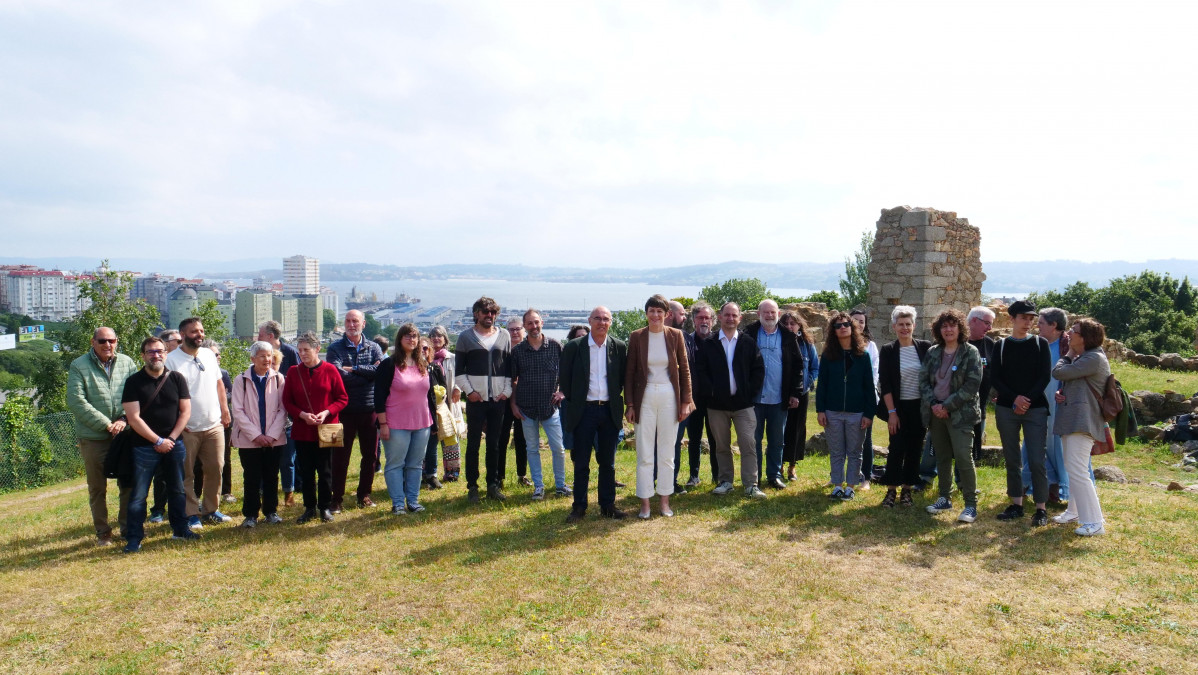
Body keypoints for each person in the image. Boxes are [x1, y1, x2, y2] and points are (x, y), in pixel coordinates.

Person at [120, 336, 199, 553]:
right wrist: (157, 440)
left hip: (174, 444)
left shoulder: (177, 378)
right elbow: (133, 418)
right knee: (139, 495)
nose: (156, 355)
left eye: (159, 351)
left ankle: (180, 529)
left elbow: (185, 412)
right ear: (143, 355)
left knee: (177, 490)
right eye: (151, 352)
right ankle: (134, 538)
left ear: (166, 353)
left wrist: (171, 439)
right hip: (143, 446)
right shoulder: (133, 382)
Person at [67, 327, 138, 546]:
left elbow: (137, 394)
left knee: (128, 483)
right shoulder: (78, 365)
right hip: (93, 437)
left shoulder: (128, 362)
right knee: (97, 488)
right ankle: (103, 532)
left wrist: (124, 420)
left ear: (117, 341)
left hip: (125, 434)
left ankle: (127, 528)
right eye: (102, 341)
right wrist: (107, 424)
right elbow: (76, 401)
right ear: (93, 342)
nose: (107, 345)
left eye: (112, 340)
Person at [625, 295, 693, 519]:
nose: (655, 315)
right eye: (651, 311)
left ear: (667, 315)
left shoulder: (675, 336)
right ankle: (645, 503)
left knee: (666, 453)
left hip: (668, 396)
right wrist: (630, 404)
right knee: (644, 452)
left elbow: (684, 369)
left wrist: (686, 402)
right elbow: (630, 372)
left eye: (659, 312)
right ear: (646, 314)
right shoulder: (637, 337)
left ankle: (664, 501)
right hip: (644, 397)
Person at [560, 306, 629, 521]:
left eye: (606, 319)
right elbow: (565, 379)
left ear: (611, 322)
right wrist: (577, 401)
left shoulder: (618, 347)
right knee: (581, 462)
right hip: (584, 410)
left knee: (607, 462)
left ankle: (608, 505)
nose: (602, 322)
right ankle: (579, 506)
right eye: (597, 318)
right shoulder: (574, 347)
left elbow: (622, 378)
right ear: (590, 321)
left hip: (608, 410)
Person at [695, 302, 768, 500]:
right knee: (721, 446)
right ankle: (725, 481)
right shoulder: (709, 343)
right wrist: (712, 392)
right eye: (726, 315)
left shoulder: (748, 342)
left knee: (748, 444)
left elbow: (758, 369)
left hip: (743, 405)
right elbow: (700, 372)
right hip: (716, 405)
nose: (730, 318)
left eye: (734, 315)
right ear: (719, 317)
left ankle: (751, 485)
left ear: (740, 318)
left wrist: (748, 392)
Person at [990, 300, 1053, 527]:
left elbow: (1045, 376)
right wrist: (1014, 398)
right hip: (1007, 408)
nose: (1028, 322)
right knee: (1012, 458)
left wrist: (1026, 400)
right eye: (1024, 318)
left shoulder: (1040, 344)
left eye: (1031, 318)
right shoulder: (1002, 345)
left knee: (1037, 459)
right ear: (1012, 319)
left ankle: (1041, 508)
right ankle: (1016, 503)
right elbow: (995, 377)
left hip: (1035, 409)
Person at [165, 318, 233, 529]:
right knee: (186, 473)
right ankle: (191, 513)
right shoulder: (171, 360)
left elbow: (219, 383)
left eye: (201, 331)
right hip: (187, 428)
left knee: (216, 468)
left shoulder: (208, 355)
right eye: (194, 331)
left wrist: (224, 409)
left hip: (213, 425)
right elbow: (168, 395)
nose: (199, 335)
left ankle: (211, 509)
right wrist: (176, 421)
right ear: (183, 334)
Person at [920, 309, 983, 523]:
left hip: (961, 415)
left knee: (964, 458)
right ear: (939, 330)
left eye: (952, 325)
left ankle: (970, 505)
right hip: (936, 414)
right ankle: (944, 498)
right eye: (944, 326)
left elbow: (972, 385)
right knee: (943, 457)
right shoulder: (933, 352)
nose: (948, 329)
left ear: (960, 328)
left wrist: (947, 405)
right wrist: (935, 405)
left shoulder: (970, 352)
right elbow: (924, 382)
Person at [1050, 319, 1111, 536]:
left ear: (1084, 338)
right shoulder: (1085, 358)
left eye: (1074, 332)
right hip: (1074, 420)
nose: (1069, 334)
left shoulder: (1093, 358)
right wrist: (1062, 395)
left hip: (1082, 422)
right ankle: (1074, 512)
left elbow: (1059, 372)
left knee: (1077, 471)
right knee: (1075, 468)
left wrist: (1066, 356)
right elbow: (1074, 383)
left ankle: (1094, 522)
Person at [282, 331, 349, 523]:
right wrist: (301, 415)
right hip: (303, 430)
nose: (302, 353)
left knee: (326, 470)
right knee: (307, 471)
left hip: (327, 429)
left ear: (317, 349)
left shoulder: (330, 370)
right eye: (300, 350)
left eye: (306, 350)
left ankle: (325, 507)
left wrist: (327, 412)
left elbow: (343, 398)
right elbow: (287, 401)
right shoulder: (294, 372)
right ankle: (309, 507)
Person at [324, 309, 384, 512]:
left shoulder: (374, 347)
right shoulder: (334, 348)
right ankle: (336, 499)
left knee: (370, 456)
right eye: (348, 321)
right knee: (339, 458)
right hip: (343, 411)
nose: (351, 324)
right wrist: (365, 372)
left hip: (369, 410)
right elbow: (337, 376)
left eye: (355, 321)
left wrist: (353, 369)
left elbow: (379, 371)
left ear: (363, 324)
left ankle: (364, 494)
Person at [455, 297, 514, 503]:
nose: (489, 316)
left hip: (498, 400)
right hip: (476, 400)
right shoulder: (465, 337)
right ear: (476, 314)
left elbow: (508, 368)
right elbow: (459, 371)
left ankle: (493, 484)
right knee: (473, 445)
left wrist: (506, 392)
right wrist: (470, 392)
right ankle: (472, 486)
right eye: (485, 312)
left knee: (495, 444)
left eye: (493, 313)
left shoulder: (504, 335)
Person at [375, 324, 437, 515]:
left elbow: (430, 396)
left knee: (416, 464)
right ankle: (398, 503)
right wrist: (383, 424)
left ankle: (413, 501)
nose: (412, 340)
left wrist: (434, 421)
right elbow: (379, 396)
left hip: (422, 423)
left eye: (415, 336)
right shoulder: (389, 364)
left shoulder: (423, 364)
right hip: (395, 424)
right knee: (395, 464)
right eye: (407, 336)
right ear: (400, 339)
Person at [510, 309, 571, 500]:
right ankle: (539, 486)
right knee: (532, 449)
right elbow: (513, 380)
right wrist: (513, 405)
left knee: (558, 448)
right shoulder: (518, 351)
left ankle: (560, 485)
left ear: (542, 322)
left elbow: (566, 374)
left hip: (550, 407)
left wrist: (562, 391)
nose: (533, 326)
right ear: (524, 326)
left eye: (536, 322)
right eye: (529, 323)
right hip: (526, 407)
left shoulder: (555, 346)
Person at [816, 312, 876, 500]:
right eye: (838, 326)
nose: (842, 328)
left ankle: (850, 486)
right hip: (832, 411)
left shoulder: (863, 355)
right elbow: (822, 385)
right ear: (833, 331)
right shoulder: (828, 356)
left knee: (855, 452)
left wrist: (869, 413)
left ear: (852, 328)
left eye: (845, 325)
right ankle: (837, 485)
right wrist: (820, 410)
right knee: (836, 451)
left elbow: (869, 387)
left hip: (856, 412)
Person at [745, 299, 804, 490]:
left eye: (773, 312)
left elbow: (798, 367)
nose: (770, 316)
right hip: (755, 399)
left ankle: (774, 476)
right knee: (754, 441)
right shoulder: (749, 334)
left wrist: (795, 393)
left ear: (778, 314)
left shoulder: (788, 336)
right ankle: (755, 478)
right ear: (758, 314)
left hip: (779, 399)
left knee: (777, 441)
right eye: (766, 312)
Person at [876, 306, 932, 508]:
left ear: (914, 326)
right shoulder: (889, 350)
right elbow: (886, 384)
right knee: (897, 447)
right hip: (897, 408)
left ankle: (907, 490)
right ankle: (891, 490)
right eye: (901, 324)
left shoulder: (925, 347)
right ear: (894, 327)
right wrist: (892, 413)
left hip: (919, 408)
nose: (905, 328)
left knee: (915, 448)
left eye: (908, 324)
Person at [230, 341, 287, 528]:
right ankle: (250, 515)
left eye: (269, 355)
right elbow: (237, 410)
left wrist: (271, 435)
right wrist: (256, 435)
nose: (267, 359)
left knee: (271, 476)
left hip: (274, 439)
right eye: (262, 356)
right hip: (249, 440)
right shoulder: (241, 380)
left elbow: (282, 410)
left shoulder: (279, 378)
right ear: (253, 358)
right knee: (252, 478)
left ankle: (271, 512)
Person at [1024, 307, 1071, 505]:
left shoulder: (1067, 349)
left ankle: (1058, 488)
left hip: (1058, 407)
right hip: (1037, 405)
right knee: (1034, 444)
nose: (1037, 326)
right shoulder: (1037, 345)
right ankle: (1035, 485)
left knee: (1056, 447)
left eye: (1041, 323)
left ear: (1054, 326)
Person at [258, 320, 301, 507]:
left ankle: (288, 493)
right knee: (265, 462)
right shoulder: (255, 366)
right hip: (264, 423)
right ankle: (263, 493)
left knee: (287, 460)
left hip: (286, 422)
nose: (270, 364)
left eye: (260, 334)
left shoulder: (290, 354)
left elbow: (297, 382)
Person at [146, 328, 182, 523]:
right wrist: (159, 439)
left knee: (180, 475)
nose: (179, 343)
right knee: (160, 475)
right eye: (176, 340)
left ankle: (182, 515)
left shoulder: (178, 369)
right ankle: (158, 508)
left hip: (179, 432)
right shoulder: (148, 373)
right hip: (156, 434)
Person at [194, 339, 235, 506]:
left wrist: (221, 398)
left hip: (222, 420)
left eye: (218, 354)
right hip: (201, 421)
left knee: (224, 458)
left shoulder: (223, 373)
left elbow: (231, 393)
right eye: (214, 354)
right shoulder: (197, 373)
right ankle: (196, 494)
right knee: (198, 461)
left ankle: (226, 491)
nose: (218, 357)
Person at [684, 301, 719, 485]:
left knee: (715, 440)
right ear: (694, 320)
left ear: (712, 321)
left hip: (714, 401)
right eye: (700, 318)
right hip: (693, 400)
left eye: (707, 317)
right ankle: (694, 476)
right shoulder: (686, 341)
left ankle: (717, 475)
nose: (704, 321)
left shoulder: (719, 342)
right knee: (694, 439)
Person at [782, 311, 818, 481]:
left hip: (801, 394)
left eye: (793, 323)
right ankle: (778, 465)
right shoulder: (779, 342)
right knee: (780, 430)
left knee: (797, 429)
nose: (789, 326)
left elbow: (815, 367)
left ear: (799, 325)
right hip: (780, 393)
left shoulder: (807, 344)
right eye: (786, 323)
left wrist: (805, 382)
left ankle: (792, 466)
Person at [424, 325, 460, 484]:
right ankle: (428, 472)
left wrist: (458, 389)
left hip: (449, 404)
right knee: (428, 440)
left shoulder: (452, 357)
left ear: (445, 339)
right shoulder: (424, 357)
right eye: (433, 336)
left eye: (440, 336)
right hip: (429, 407)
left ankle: (452, 472)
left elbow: (460, 375)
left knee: (450, 439)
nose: (436, 339)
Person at [849, 309, 880, 490]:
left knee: (865, 439)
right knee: (842, 440)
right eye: (855, 320)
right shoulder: (841, 344)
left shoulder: (871, 346)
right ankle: (837, 475)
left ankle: (866, 477)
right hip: (845, 400)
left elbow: (874, 373)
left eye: (862, 321)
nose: (859, 324)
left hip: (865, 399)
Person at [498, 317, 530, 487]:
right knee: (501, 439)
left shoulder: (528, 350)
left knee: (522, 439)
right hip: (504, 401)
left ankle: (522, 474)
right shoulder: (502, 351)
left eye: (518, 329)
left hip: (523, 400)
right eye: (511, 329)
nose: (515, 332)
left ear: (523, 331)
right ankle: (499, 477)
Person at [966, 307, 997, 463]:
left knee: (973, 450)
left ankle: (964, 483)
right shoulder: (957, 341)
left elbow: (996, 372)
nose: (990, 328)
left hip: (980, 409)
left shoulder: (990, 345)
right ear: (973, 321)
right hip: (954, 408)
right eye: (987, 323)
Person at [560, 324, 590, 458]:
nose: (582, 339)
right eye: (578, 336)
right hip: (572, 404)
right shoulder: (568, 354)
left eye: (584, 336)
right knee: (574, 441)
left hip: (593, 403)